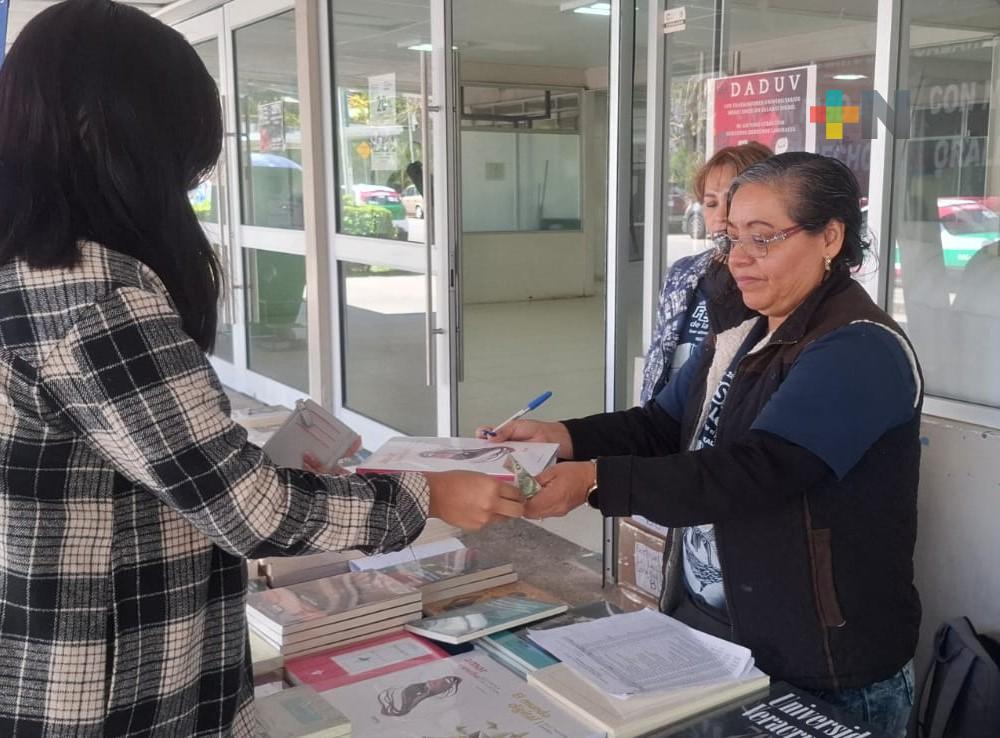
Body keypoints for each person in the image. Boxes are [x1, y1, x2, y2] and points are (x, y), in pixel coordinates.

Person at [0, 2, 523, 735]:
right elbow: (249, 510)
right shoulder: (94, 297)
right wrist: (427, 495)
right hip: (112, 687)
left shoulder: (25, 267)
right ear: (103, 129)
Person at [483, 152, 923, 737]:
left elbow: (755, 472)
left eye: (763, 239)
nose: (739, 259)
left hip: (822, 667)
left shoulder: (858, 348)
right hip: (721, 639)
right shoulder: (747, 331)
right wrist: (561, 437)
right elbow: (663, 426)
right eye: (731, 236)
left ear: (830, 237)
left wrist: (593, 480)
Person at [640, 142, 772, 404]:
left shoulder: (774, 278)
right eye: (711, 203)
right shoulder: (682, 274)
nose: (721, 215)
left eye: (734, 200)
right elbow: (658, 362)